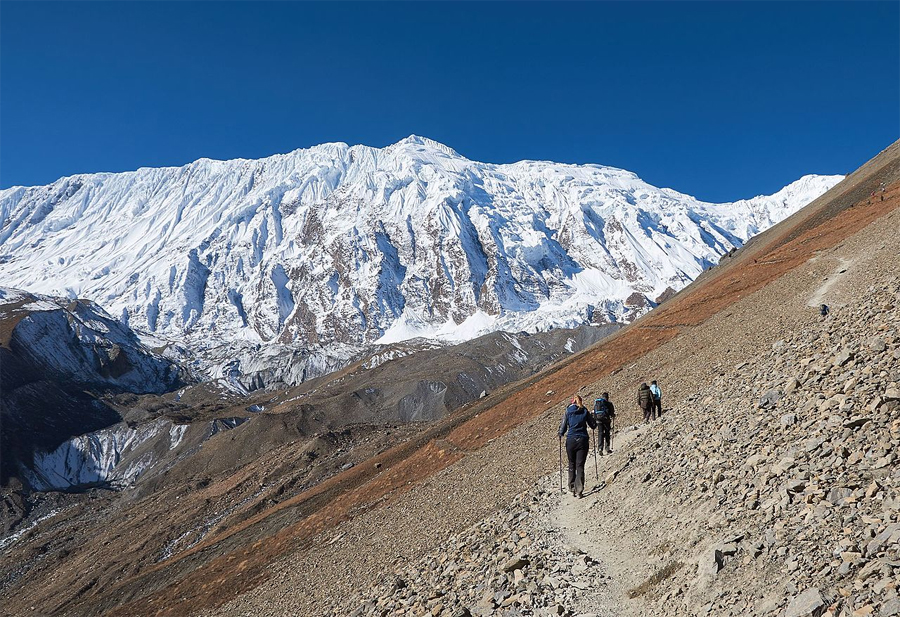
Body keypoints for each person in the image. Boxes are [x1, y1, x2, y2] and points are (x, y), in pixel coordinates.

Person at [558, 394, 596, 498]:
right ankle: (579, 490)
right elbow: (593, 425)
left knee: (571, 464)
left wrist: (560, 434)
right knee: (580, 465)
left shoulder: (568, 411)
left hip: (571, 440)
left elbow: (563, 427)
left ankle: (572, 488)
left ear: (572, 402)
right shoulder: (584, 410)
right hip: (583, 440)